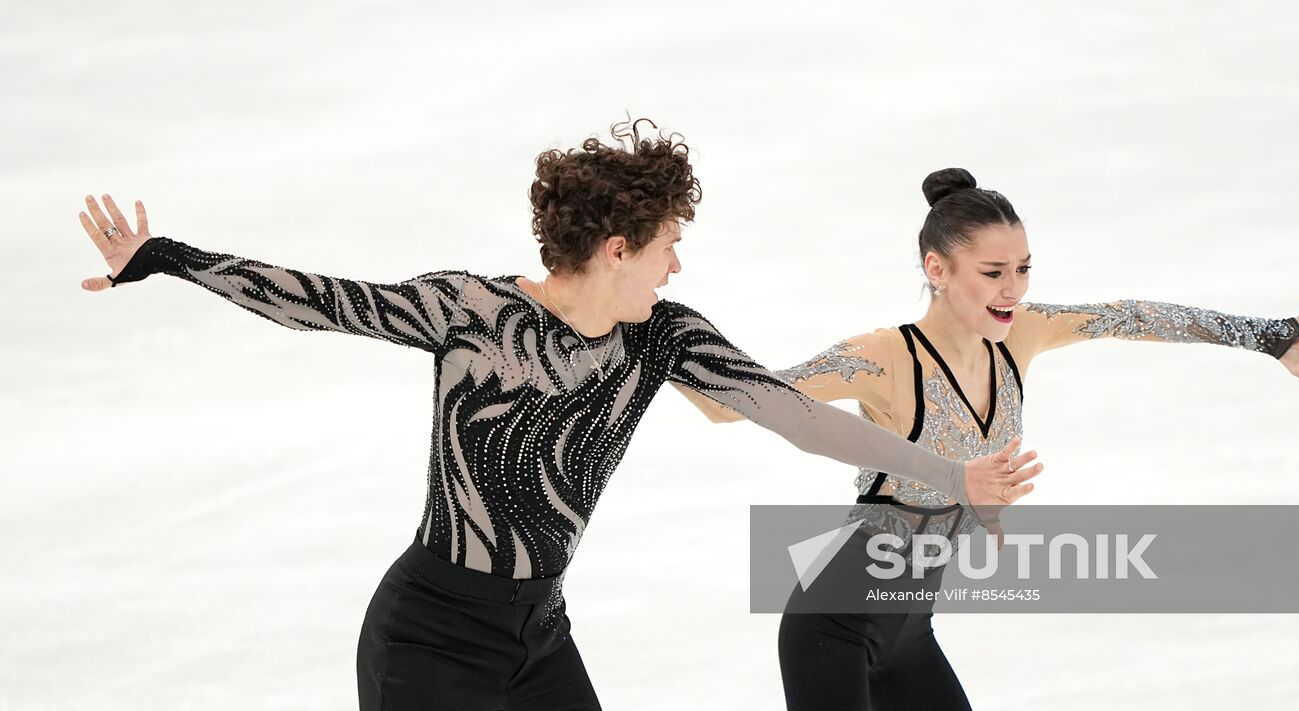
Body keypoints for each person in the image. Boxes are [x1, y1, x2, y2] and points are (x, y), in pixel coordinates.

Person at [73, 124, 1042, 710]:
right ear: (615, 248)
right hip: (430, 636)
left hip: (540, 634)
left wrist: (950, 477)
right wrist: (165, 256)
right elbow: (324, 297)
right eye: (666, 246)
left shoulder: (661, 338)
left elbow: (794, 418)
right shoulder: (472, 314)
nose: (675, 267)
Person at [680, 167, 1299, 710]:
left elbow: (1130, 316)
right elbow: (738, 403)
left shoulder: (1022, 333)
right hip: (834, 619)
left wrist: (1268, 336)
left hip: (909, 628)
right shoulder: (883, 357)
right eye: (993, 272)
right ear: (936, 268)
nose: (1013, 288)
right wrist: (652, 341)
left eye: (1022, 268)